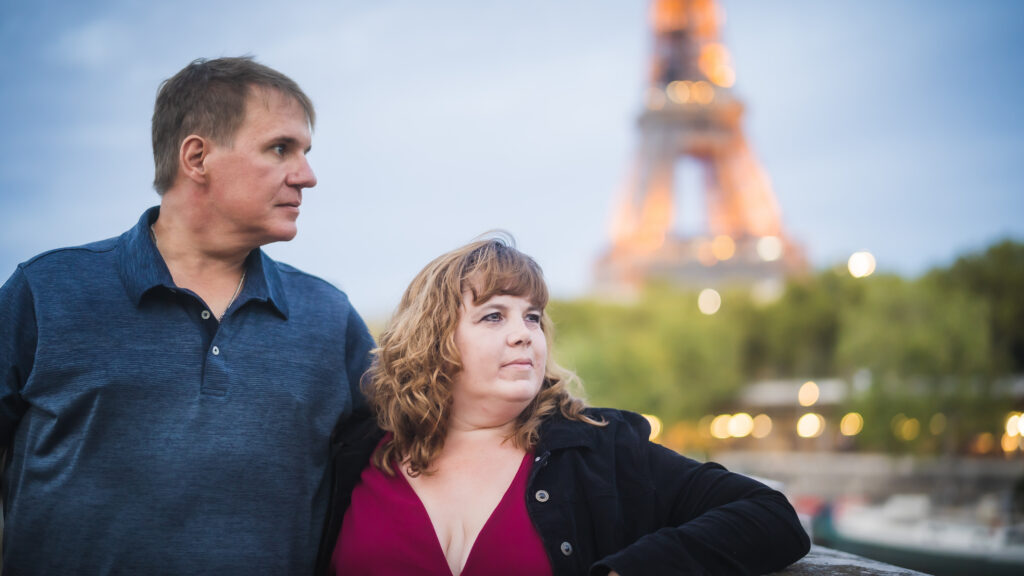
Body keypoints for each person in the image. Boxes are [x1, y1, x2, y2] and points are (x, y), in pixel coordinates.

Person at [0, 57, 374, 574]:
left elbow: (406, 460)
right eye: (280, 148)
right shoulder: (46, 292)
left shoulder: (329, 317)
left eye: (305, 152)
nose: (307, 176)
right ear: (197, 157)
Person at [316, 236, 810, 575]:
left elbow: (768, 514)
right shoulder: (356, 452)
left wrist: (628, 569)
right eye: (493, 316)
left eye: (532, 317)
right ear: (432, 340)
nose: (522, 334)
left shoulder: (598, 448)